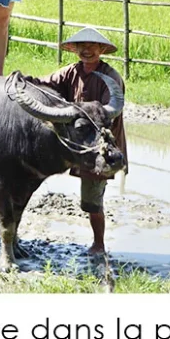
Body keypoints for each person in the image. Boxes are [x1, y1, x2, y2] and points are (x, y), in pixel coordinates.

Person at [23, 27, 128, 255]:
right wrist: (25, 84)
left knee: (92, 199)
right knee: (32, 170)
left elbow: (108, 115)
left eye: (92, 47)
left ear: (101, 49)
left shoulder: (111, 77)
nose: (87, 51)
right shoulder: (70, 72)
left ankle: (98, 244)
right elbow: (45, 87)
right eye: (82, 46)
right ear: (75, 49)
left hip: (100, 145)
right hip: (75, 142)